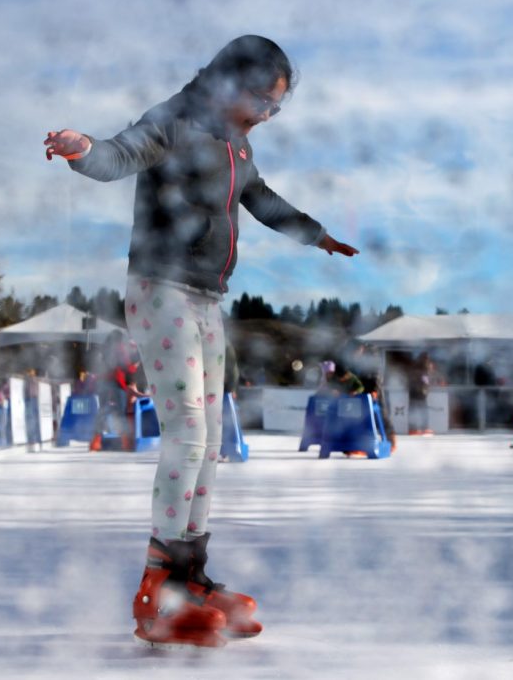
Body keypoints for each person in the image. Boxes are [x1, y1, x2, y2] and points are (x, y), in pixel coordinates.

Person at [45, 35, 358, 648]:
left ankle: (190, 574)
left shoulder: (236, 142)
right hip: (160, 288)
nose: (267, 115)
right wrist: (83, 150)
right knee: (187, 430)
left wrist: (316, 235)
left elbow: (259, 198)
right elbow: (121, 153)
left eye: (276, 108)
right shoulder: (178, 118)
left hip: (206, 298)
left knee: (209, 440)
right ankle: (157, 586)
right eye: (262, 102)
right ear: (227, 83)